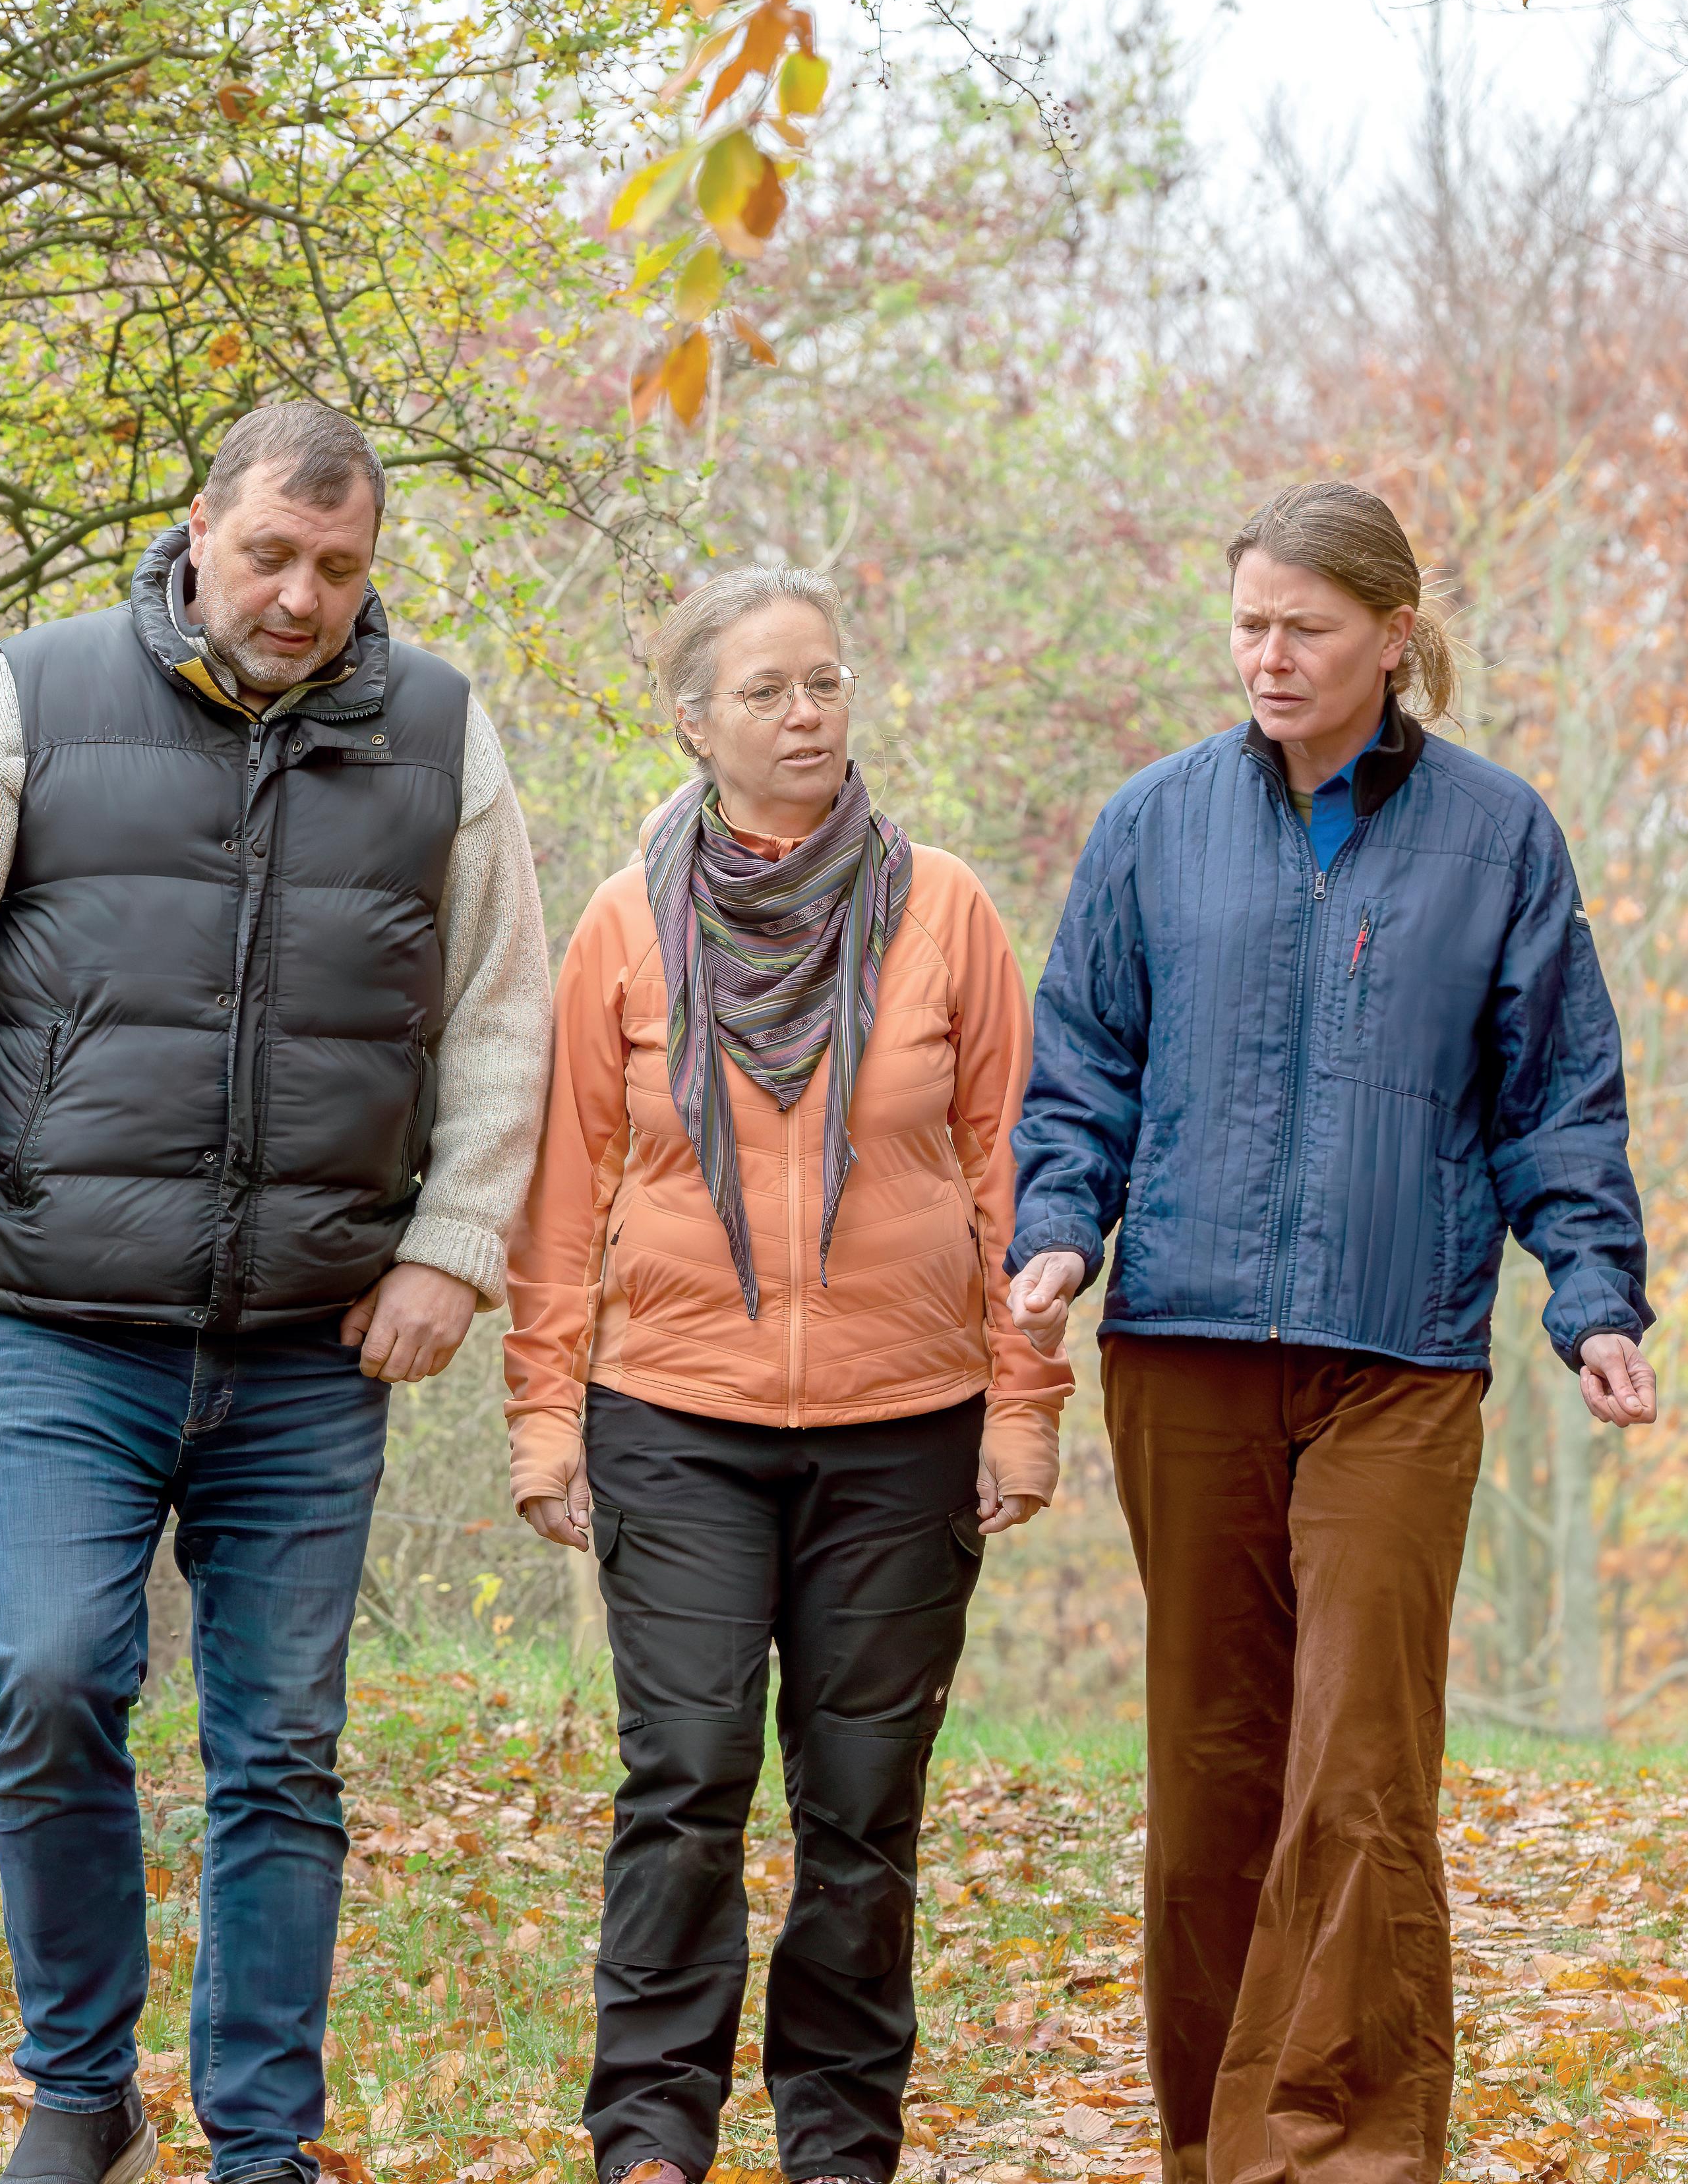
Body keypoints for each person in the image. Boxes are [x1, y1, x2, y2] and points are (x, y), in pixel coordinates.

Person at [0, 401, 554, 2184]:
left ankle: (262, 2140)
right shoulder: (41, 695)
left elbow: (501, 1013)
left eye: (338, 568)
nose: (300, 596)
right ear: (202, 527)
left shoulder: (438, 732)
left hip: (315, 1345)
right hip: (71, 1325)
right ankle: (83, 2088)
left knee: (281, 1748)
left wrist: (453, 1248)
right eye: (272, 555)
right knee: (54, 1678)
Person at [1006, 482, 1658, 2184]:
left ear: (1393, 634)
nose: (1270, 657)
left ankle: (1339, 2153)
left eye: (1305, 628)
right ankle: (1212, 2144)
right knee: (1213, 1770)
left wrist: (1593, 1296)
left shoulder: (1497, 836)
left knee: (1359, 1763)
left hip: (1402, 1357)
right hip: (1184, 1347)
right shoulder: (1154, 824)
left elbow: (1558, 1098)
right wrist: (1060, 1228)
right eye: (1249, 626)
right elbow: (1082, 1066)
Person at [504, 565, 1064, 2184]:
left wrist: (1023, 1405)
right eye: (768, 691)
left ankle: (838, 2143)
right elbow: (564, 1195)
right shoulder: (626, 923)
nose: (808, 714)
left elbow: (1014, 1174)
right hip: (673, 1415)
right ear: (696, 723)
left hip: (908, 1423)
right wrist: (546, 1416)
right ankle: (650, 2135)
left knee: (863, 1801)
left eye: (825, 682)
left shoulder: (944, 908)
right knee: (686, 1779)